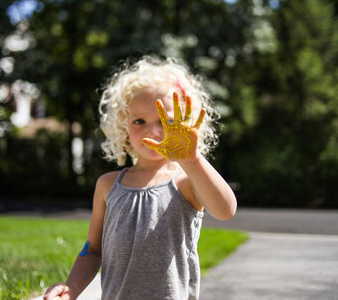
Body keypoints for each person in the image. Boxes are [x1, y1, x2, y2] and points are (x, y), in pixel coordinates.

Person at [43, 56, 237, 300]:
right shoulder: (107, 185)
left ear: (185, 122)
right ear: (123, 126)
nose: (153, 132)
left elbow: (226, 210)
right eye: (139, 121)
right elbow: (92, 250)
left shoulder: (186, 181)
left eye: (165, 121)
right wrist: (71, 287)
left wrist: (193, 159)